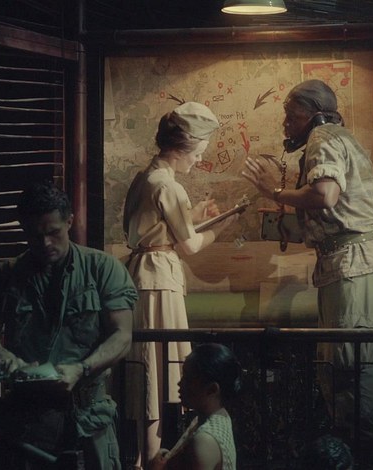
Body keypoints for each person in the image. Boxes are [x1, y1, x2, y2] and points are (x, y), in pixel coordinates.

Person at [241, 79, 373, 467]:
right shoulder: (337, 137)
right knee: (345, 362)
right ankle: (355, 449)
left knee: (349, 364)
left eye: (292, 116)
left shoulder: (322, 137)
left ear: (313, 114)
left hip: (352, 261)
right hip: (347, 260)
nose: (286, 124)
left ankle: (361, 454)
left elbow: (325, 195)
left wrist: (274, 193)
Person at [0, 180, 138, 469]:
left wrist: (82, 368)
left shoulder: (102, 268)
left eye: (53, 232)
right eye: (35, 235)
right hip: (27, 418)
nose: (45, 243)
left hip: (88, 414)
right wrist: (7, 360)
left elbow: (122, 335)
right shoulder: (5, 274)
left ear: (69, 221)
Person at [122, 101, 239, 470]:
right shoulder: (168, 185)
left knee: (149, 369)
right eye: (199, 152)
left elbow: (161, 231)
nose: (199, 159)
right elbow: (188, 246)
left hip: (146, 273)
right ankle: (149, 459)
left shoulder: (146, 177)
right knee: (154, 372)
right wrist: (222, 226)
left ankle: (143, 456)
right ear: (183, 146)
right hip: (159, 281)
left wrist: (195, 218)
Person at [149, 343, 241, 470]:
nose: (180, 383)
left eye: (188, 379)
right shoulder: (220, 416)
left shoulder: (204, 441)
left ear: (212, 389)